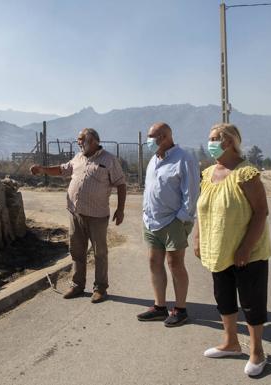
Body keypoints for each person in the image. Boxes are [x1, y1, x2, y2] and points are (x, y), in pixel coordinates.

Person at [194, 123, 271, 377]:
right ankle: (230, 343)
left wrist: (245, 248)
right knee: (224, 298)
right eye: (210, 138)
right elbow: (202, 209)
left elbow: (261, 212)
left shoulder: (246, 173)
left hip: (247, 253)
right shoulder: (208, 174)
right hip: (218, 249)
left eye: (215, 138)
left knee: (251, 302)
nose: (211, 143)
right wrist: (197, 238)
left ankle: (257, 352)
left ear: (229, 142)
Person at [30, 128, 126, 303]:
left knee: (100, 253)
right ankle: (77, 285)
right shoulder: (78, 157)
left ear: (94, 140)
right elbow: (61, 170)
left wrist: (120, 210)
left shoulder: (109, 160)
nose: (79, 142)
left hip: (97, 215)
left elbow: (121, 184)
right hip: (75, 214)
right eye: (78, 140)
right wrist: (42, 169)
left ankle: (100, 289)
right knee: (76, 251)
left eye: (82, 139)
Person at [136, 122, 200, 327]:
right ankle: (159, 307)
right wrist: (146, 212)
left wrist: (182, 218)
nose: (148, 141)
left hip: (173, 221)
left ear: (164, 137)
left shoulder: (184, 159)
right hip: (152, 220)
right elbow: (151, 189)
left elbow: (191, 193)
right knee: (154, 262)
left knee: (175, 263)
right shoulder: (154, 160)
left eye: (151, 137)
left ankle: (180, 309)